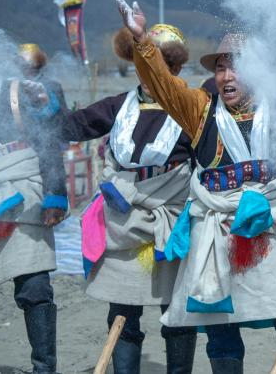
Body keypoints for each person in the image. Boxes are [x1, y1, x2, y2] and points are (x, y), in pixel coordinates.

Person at [116, 0, 276, 374]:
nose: (226, 76)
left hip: (270, 229)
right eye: (221, 68)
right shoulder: (199, 110)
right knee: (220, 328)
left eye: (236, 67)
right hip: (215, 233)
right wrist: (142, 41)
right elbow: (163, 86)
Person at [56, 26, 197, 373]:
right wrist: (43, 107)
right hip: (122, 225)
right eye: (143, 64)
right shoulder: (120, 105)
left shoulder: (193, 108)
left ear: (175, 67)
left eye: (159, 64)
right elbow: (71, 127)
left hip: (171, 223)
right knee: (122, 314)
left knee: (177, 316)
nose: (149, 72)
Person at [0, 44, 68, 374]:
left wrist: (54, 195)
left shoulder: (25, 89)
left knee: (35, 289)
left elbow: (51, 139)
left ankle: (44, 369)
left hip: (25, 189)